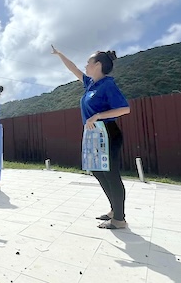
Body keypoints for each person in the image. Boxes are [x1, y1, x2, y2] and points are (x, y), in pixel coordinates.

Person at [51, 45, 130, 229]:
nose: (85, 65)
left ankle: (119, 219)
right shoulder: (91, 84)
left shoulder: (108, 84)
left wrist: (97, 116)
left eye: (89, 62)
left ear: (98, 65)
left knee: (111, 174)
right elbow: (74, 69)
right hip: (95, 135)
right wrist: (60, 54)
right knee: (98, 171)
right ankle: (114, 209)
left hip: (108, 132)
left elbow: (125, 109)